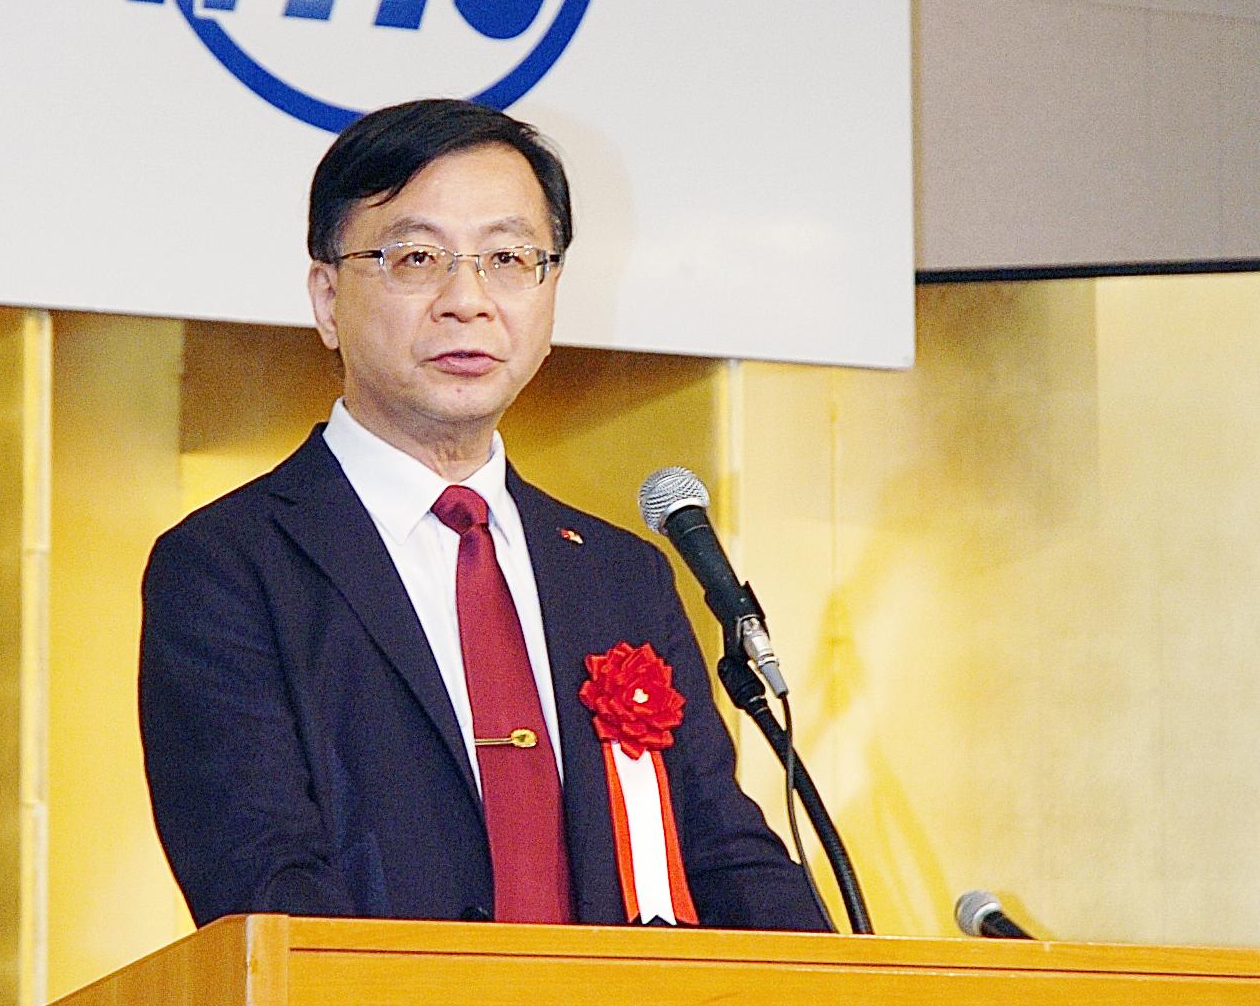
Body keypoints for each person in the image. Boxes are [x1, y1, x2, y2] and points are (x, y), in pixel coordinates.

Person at [139, 98, 830, 931]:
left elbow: (720, 854)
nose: (467, 300)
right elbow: (261, 874)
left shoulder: (620, 576)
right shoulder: (229, 565)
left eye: (508, 258)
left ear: (551, 294)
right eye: (416, 258)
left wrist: (841, 989)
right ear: (327, 299)